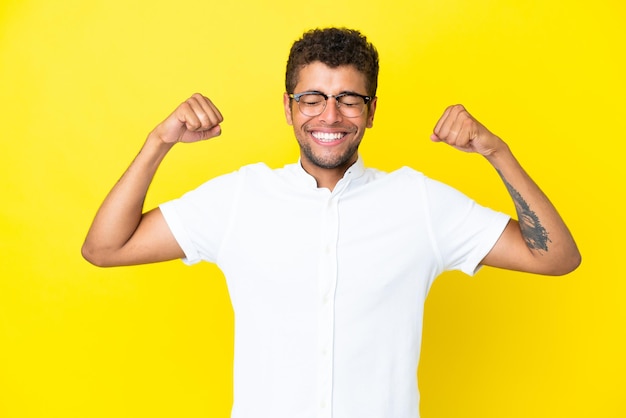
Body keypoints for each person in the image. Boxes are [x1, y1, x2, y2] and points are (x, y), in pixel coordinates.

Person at [82, 27, 580, 418]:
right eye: (313, 97)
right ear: (288, 107)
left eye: (348, 99)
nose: (330, 115)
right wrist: (158, 143)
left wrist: (497, 152)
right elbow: (105, 248)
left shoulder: (419, 203)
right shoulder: (239, 198)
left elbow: (556, 256)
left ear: (371, 111)